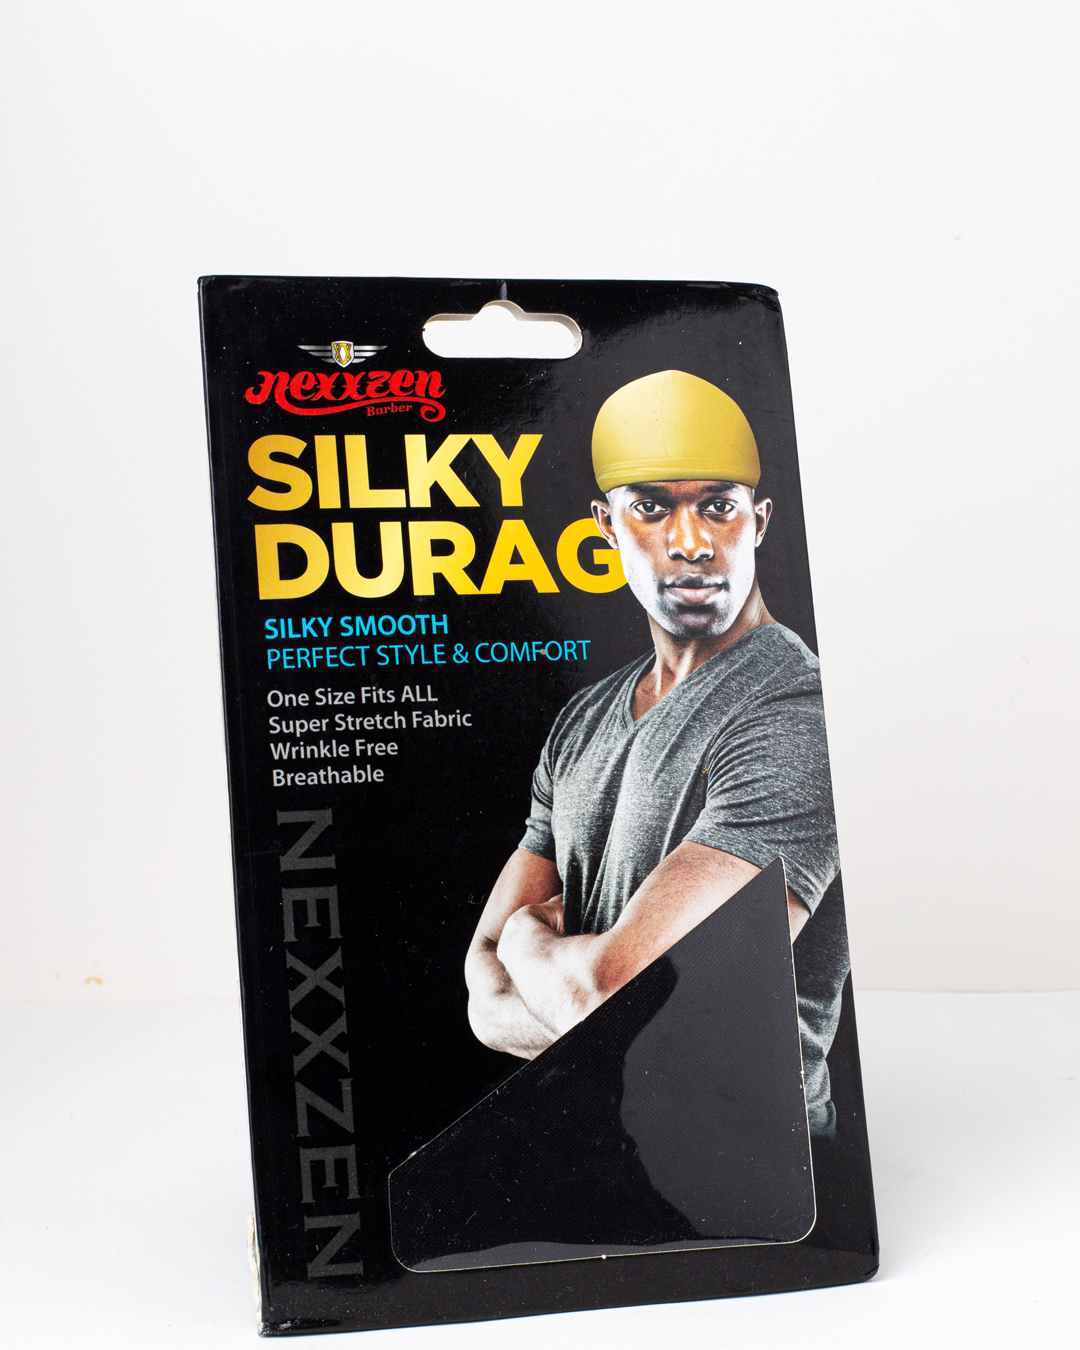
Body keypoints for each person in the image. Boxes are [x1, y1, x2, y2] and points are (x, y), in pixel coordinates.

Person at [464, 369, 847, 1134]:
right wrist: (594, 1006)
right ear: (606, 525)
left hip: (758, 1154)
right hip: (601, 1141)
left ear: (758, 521)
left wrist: (527, 939)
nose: (691, 542)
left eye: (717, 507)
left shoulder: (796, 714)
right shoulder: (583, 720)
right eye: (651, 508)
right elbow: (483, 998)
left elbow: (617, 998)